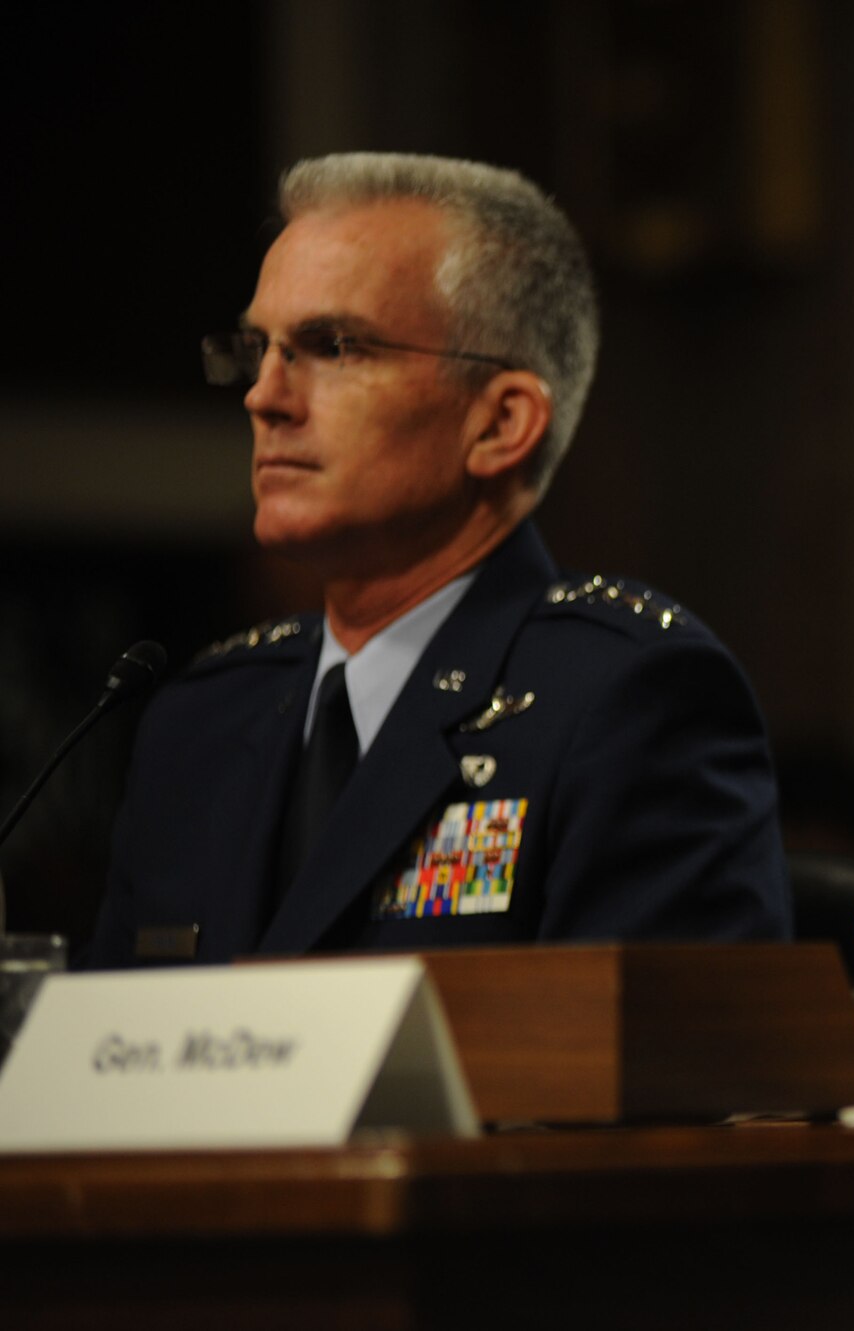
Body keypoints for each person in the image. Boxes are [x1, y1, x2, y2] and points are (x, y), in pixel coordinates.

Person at [83, 153, 789, 967]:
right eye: (257, 350)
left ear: (500, 423)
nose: (263, 397)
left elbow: (667, 1076)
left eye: (333, 345)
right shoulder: (202, 720)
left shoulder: (624, 701)